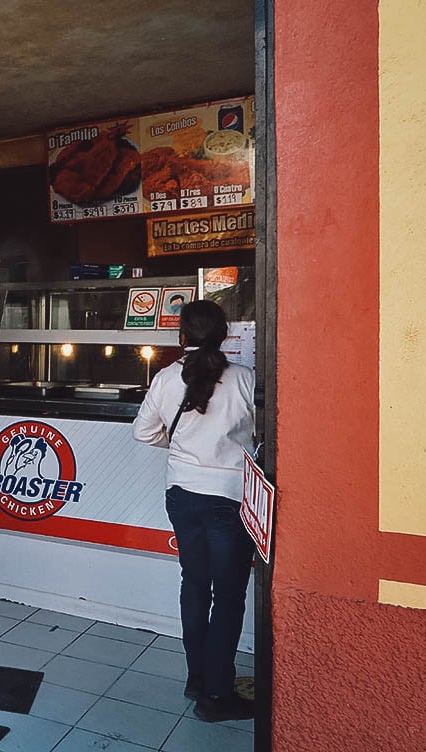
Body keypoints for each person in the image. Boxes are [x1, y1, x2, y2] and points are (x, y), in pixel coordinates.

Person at [132, 299, 256, 723]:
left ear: (181, 337)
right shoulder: (244, 379)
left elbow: (143, 431)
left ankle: (197, 679)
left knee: (195, 585)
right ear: (224, 335)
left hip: (182, 495)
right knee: (228, 596)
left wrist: (182, 449)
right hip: (228, 497)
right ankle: (217, 696)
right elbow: (262, 430)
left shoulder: (166, 378)